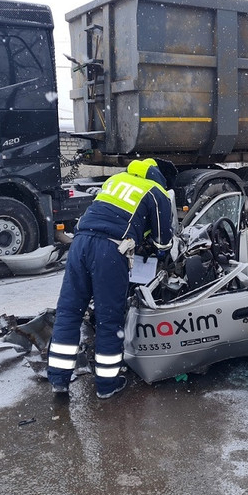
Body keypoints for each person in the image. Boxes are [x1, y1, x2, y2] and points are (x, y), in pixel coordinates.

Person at [46, 158, 174, 399]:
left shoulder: (115, 180)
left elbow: (108, 212)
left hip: (80, 244)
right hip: (110, 251)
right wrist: (159, 252)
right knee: (109, 319)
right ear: (157, 176)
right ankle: (106, 385)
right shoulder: (156, 192)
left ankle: (58, 380)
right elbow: (163, 241)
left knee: (69, 312)